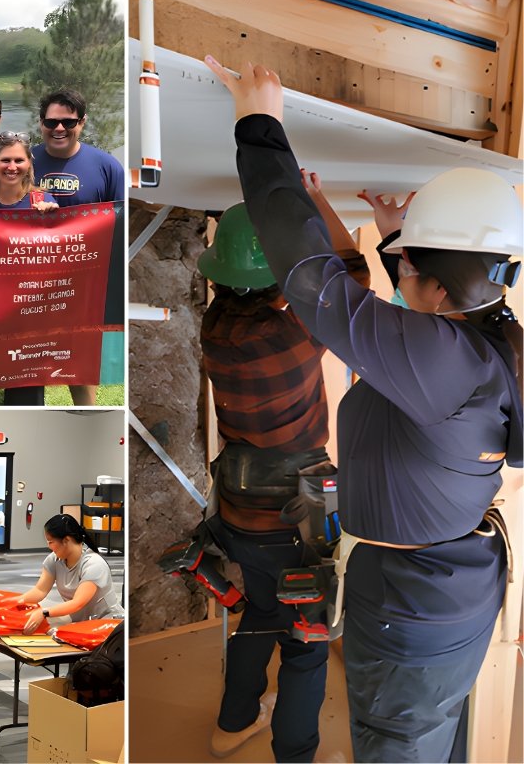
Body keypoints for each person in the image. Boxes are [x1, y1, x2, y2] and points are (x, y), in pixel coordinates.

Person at [206, 54, 522, 763]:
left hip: (415, 604)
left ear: (442, 289)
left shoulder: (438, 355)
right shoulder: (482, 338)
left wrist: (259, 124)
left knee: (396, 747)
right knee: (426, 738)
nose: (395, 269)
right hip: (447, 585)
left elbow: (310, 276)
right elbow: (389, 308)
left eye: (407, 263)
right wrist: (388, 241)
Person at [198, 197, 366, 762]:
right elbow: (353, 276)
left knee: (263, 612)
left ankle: (232, 724)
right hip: (299, 510)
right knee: (306, 637)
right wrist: (313, 203)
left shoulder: (214, 325)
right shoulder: (295, 333)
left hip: (239, 505)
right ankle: (294, 754)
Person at [0, 131, 60, 406]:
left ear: (29, 164)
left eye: (19, 160)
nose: (12, 167)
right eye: (5, 160)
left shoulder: (42, 201)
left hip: (27, 308)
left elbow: (59, 257)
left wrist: (53, 221)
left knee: (25, 386)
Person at [11, 513, 124, 636]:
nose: (49, 546)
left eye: (51, 542)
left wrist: (43, 612)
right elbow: (40, 590)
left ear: (66, 540)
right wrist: (12, 602)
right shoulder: (54, 560)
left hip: (108, 625)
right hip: (82, 622)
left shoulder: (94, 564)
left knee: (53, 632)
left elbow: (78, 603)